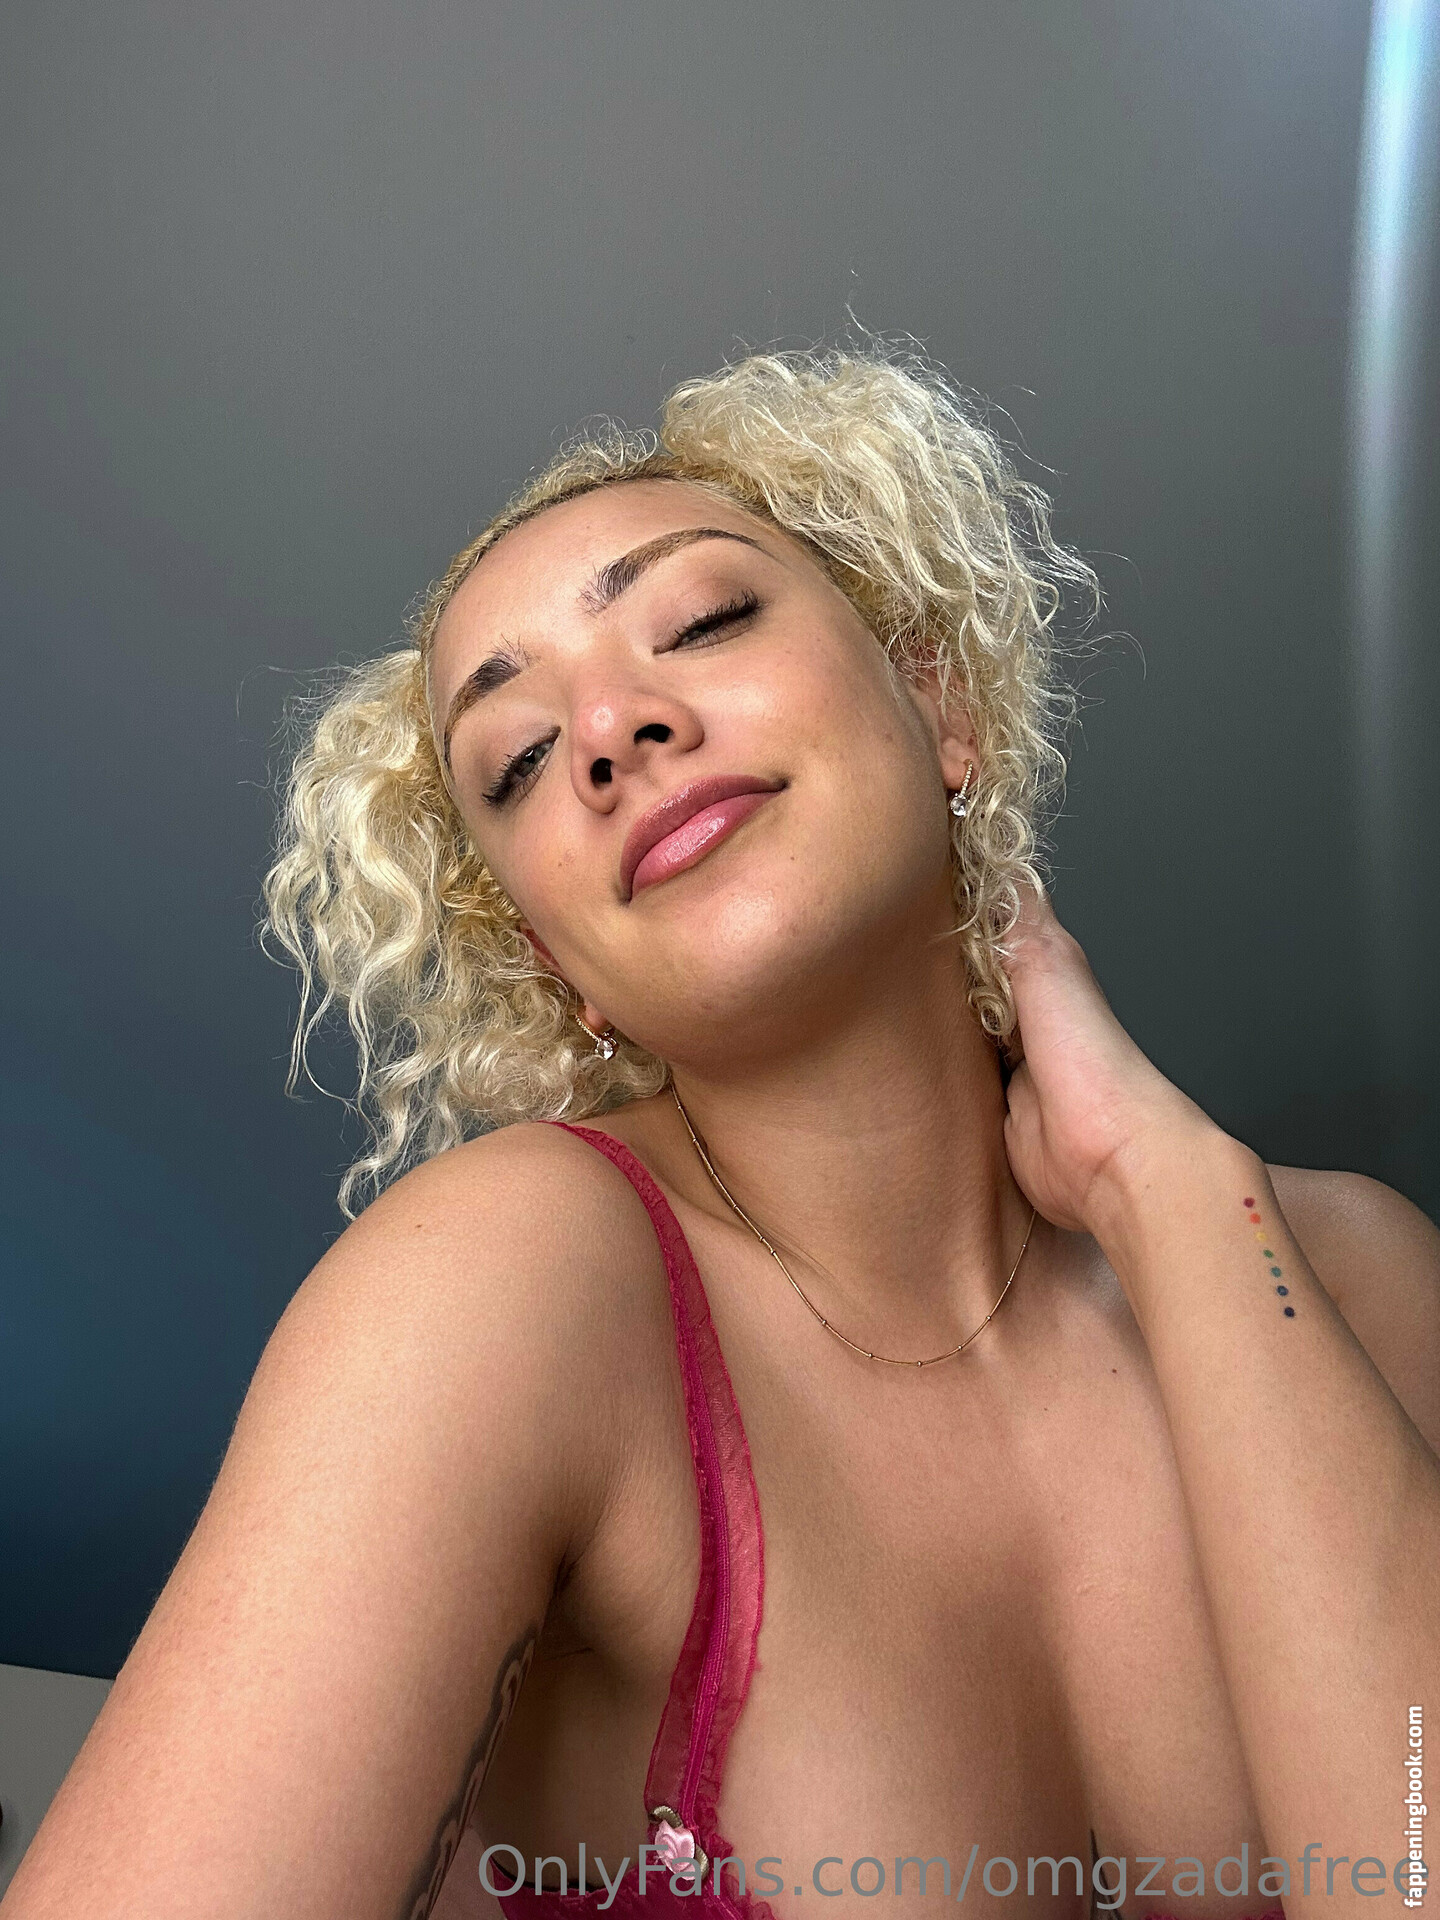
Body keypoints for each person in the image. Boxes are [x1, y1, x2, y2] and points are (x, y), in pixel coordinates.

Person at [6, 349, 1438, 1920]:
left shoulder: (1349, 1279)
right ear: (559, 962)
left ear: (940, 705)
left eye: (699, 620)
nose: (610, 729)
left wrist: (1167, 1187)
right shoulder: (508, 1287)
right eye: (521, 761)